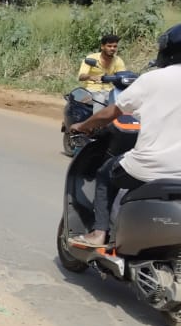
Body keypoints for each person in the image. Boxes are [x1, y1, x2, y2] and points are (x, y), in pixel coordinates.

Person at [68, 24, 181, 247]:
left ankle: (99, 232)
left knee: (104, 174)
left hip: (150, 168)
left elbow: (111, 112)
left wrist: (83, 126)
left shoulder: (153, 79)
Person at [78, 35, 126, 100]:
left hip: (110, 90)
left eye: (115, 46)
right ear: (102, 47)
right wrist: (91, 77)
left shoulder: (118, 60)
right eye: (109, 46)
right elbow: (81, 76)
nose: (112, 48)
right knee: (99, 98)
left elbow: (122, 76)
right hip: (92, 89)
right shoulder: (91, 58)